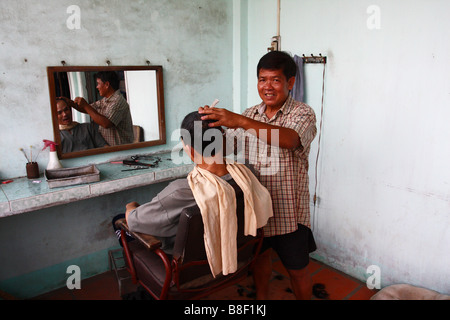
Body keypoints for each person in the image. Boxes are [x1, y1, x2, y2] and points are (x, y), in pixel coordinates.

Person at [199, 50, 318, 299]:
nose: (268, 86)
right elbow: (225, 146)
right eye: (262, 79)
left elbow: (289, 139)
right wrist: (209, 125)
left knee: (298, 271)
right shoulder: (250, 113)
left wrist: (239, 121)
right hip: (256, 208)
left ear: (290, 82)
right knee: (259, 262)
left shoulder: (302, 113)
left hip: (289, 213)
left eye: (275, 79)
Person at [115, 112, 273, 272]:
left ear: (190, 150)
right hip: (236, 255)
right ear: (222, 140)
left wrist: (131, 205)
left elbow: (133, 220)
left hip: (187, 269)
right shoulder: (247, 173)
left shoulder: (180, 191)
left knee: (120, 221)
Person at [61, 71, 134, 146]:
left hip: (120, 149)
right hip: (108, 148)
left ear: (107, 84)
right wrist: (71, 103)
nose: (97, 87)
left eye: (98, 83)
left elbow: (106, 123)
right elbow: (88, 110)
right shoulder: (105, 100)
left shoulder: (118, 101)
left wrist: (85, 105)